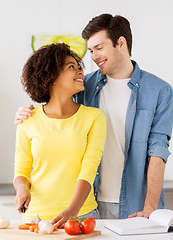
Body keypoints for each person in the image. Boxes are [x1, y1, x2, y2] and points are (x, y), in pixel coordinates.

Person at [15, 13, 173, 219]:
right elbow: (55, 110)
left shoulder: (159, 90)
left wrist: (150, 207)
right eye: (91, 50)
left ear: (121, 43)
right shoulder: (83, 86)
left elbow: (158, 150)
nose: (93, 56)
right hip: (88, 202)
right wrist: (26, 113)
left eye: (99, 48)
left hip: (137, 203)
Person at [13, 43, 106, 228]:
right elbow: (22, 169)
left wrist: (73, 210)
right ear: (51, 77)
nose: (80, 71)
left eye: (79, 67)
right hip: (36, 216)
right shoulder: (28, 119)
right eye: (71, 67)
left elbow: (89, 168)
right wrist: (22, 189)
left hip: (82, 214)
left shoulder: (94, 117)